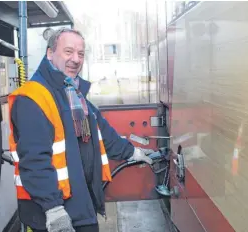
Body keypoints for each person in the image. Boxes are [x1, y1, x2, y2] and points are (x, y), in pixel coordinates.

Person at [8, 28, 153, 232]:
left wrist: (133, 152)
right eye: (68, 52)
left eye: (81, 54)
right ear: (50, 53)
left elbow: (100, 131)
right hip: (54, 212)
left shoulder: (73, 92)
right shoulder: (33, 98)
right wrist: (53, 209)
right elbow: (34, 159)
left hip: (80, 204)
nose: (76, 59)